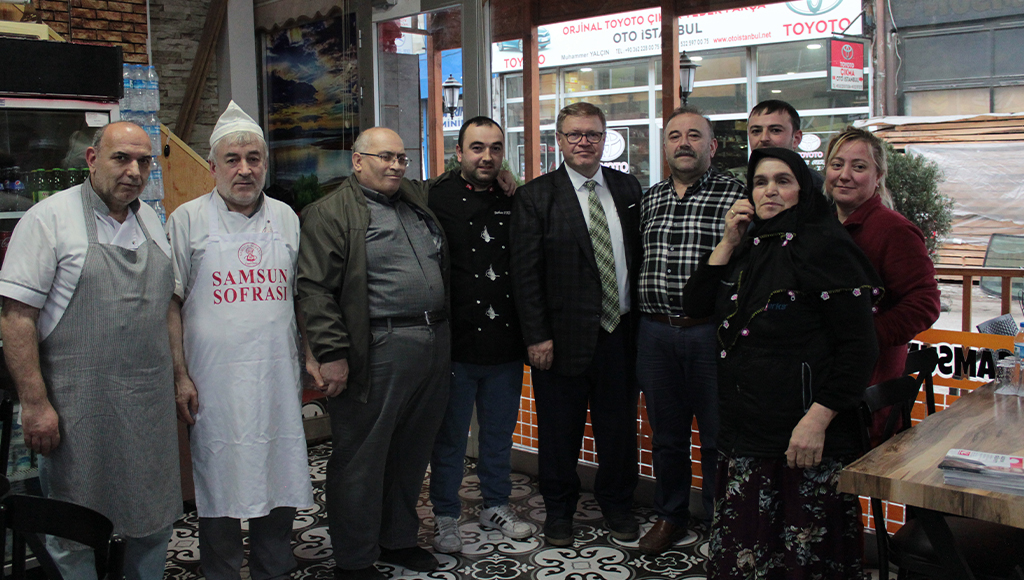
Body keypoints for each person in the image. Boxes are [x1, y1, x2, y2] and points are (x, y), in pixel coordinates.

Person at [683, 147, 880, 579]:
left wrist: (817, 421)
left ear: (803, 189)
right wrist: (729, 241)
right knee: (747, 553)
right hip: (746, 430)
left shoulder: (826, 246)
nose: (769, 190)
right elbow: (695, 303)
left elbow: (859, 348)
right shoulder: (752, 244)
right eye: (759, 182)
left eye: (782, 181)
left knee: (799, 560)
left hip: (801, 439)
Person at [0, 121, 180, 580]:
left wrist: (180, 376)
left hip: (147, 408)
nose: (134, 171)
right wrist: (34, 404)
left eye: (144, 161)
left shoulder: (152, 221)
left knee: (152, 519)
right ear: (92, 159)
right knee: (76, 527)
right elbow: (16, 318)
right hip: (79, 409)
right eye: (122, 158)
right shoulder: (48, 219)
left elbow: (166, 311)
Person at [166, 102, 314, 580]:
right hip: (214, 387)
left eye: (254, 158)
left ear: (265, 164)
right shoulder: (186, 220)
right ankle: (222, 572)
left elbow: (300, 299)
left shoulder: (288, 218)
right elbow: (169, 304)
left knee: (280, 475)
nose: (245, 169)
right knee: (218, 485)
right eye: (233, 159)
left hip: (275, 379)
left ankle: (275, 568)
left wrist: (310, 357)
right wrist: (180, 374)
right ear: (213, 166)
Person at [297, 127, 451, 580]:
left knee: (410, 452)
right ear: (357, 160)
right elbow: (315, 289)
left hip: (432, 343)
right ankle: (355, 558)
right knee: (362, 458)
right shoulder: (330, 213)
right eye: (385, 157)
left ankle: (398, 539)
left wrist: (501, 175)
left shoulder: (414, 202)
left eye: (402, 158)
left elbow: (458, 179)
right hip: (376, 348)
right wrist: (330, 354)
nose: (396, 166)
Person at [509, 102, 642, 546]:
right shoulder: (536, 196)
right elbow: (525, 275)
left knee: (619, 432)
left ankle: (618, 506)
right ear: (559, 141)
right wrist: (537, 336)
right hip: (559, 342)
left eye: (593, 134)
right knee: (559, 434)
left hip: (620, 335)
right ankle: (560, 512)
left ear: (605, 139)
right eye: (574, 134)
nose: (584, 141)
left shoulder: (628, 189)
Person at [635, 106, 745, 555]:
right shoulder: (650, 198)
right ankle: (670, 517)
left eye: (694, 136)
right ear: (664, 148)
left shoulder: (736, 196)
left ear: (712, 146)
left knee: (719, 437)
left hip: (711, 336)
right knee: (667, 437)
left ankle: (723, 522)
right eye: (675, 136)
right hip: (655, 333)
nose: (684, 143)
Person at [427, 116, 532, 553]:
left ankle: (494, 505)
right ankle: (446, 515)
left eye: (494, 148)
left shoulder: (517, 198)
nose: (486, 156)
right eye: (476, 147)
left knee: (497, 434)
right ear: (458, 153)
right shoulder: (433, 195)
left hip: (505, 343)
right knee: (449, 438)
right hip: (454, 344)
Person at [825, 127, 940, 394]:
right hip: (827, 375)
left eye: (859, 167)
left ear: (878, 176)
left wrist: (868, 335)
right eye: (837, 165)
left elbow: (924, 303)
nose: (844, 175)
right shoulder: (821, 226)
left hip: (871, 385)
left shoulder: (894, 230)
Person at [747, 99, 824, 191]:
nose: (764, 138)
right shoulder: (745, 185)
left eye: (775, 130)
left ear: (796, 139)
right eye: (756, 131)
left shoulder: (814, 186)